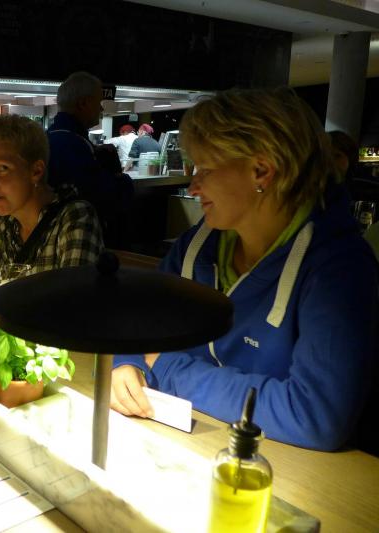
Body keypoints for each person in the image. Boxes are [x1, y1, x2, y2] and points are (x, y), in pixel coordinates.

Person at [110, 87, 378, 453]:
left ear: (261, 171)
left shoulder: (339, 269)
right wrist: (127, 364)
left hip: (282, 469)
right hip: (184, 446)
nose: (193, 186)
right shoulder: (197, 245)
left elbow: (315, 416)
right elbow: (138, 324)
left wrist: (169, 369)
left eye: (205, 170)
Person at [0, 114, 104, 288]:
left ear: (36, 171)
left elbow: (74, 299)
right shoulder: (0, 221)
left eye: (2, 169)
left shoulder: (74, 217)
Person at [46, 71, 132, 247]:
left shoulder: (48, 138)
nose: (101, 109)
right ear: (83, 103)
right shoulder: (75, 144)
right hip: (76, 238)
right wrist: (122, 180)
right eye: (98, 102)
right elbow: (101, 196)